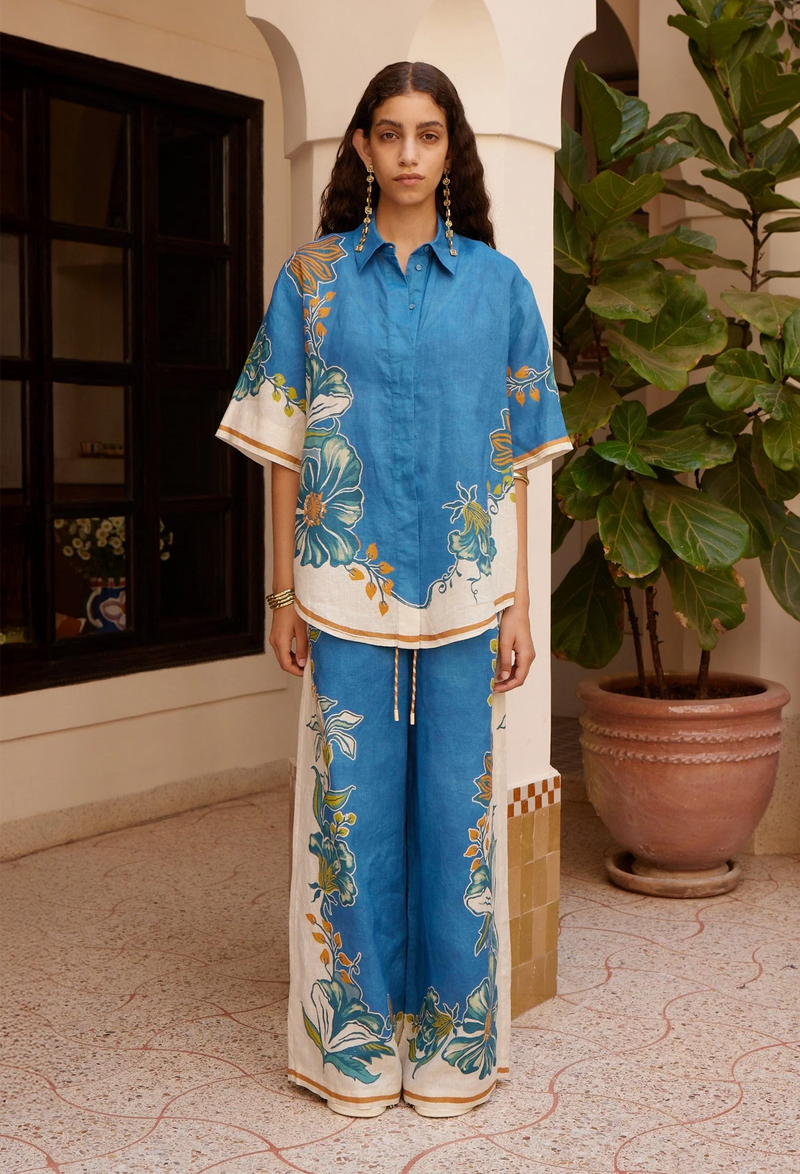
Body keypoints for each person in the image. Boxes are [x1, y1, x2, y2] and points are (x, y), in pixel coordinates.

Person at [216, 61, 571, 1119]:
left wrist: (515, 602)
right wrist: (280, 592)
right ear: (362, 148)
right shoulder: (310, 282)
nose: (408, 153)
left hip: (468, 596)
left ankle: (456, 1043)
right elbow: (283, 447)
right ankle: (352, 1041)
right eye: (389, 133)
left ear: (449, 149)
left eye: (427, 134)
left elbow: (512, 460)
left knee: (458, 820)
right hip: (338, 590)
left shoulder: (500, 287)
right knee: (348, 814)